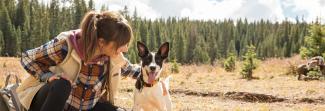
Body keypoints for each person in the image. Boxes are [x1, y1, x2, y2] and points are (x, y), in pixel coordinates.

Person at [16, 11, 140, 111]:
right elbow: (27, 58)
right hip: (47, 104)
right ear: (101, 42)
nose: (125, 49)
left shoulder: (113, 56)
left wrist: (157, 73)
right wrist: (47, 76)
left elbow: (133, 71)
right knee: (62, 85)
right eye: (121, 44)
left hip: (83, 107)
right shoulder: (65, 45)